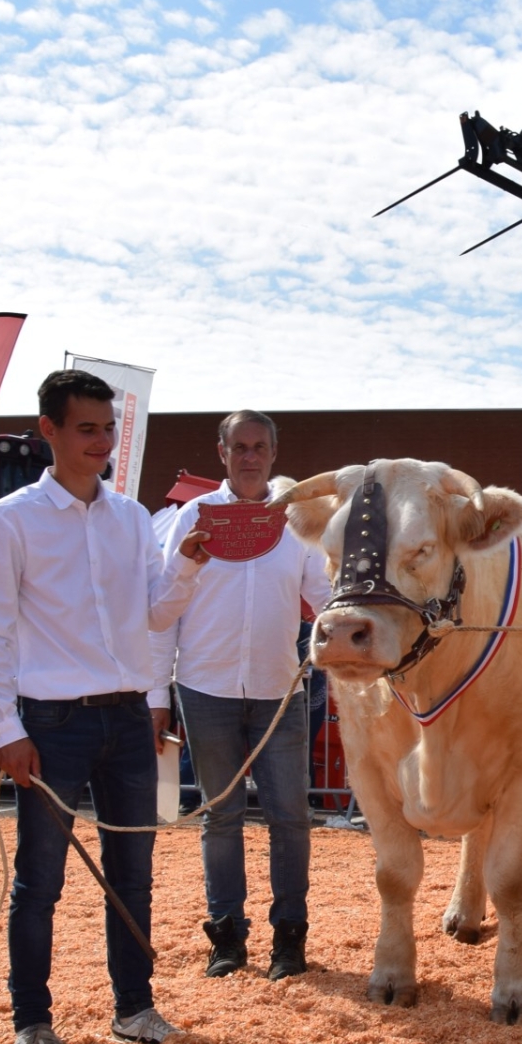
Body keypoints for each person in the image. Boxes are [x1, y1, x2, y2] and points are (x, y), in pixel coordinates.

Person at [0, 370, 209, 1044]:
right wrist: (5, 727)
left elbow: (153, 613)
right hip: (50, 721)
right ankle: (32, 1026)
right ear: (48, 430)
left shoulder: (133, 517)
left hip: (128, 716)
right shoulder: (8, 521)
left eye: (107, 428)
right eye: (86, 428)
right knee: (39, 882)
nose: (101, 442)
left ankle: (134, 1007)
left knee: (131, 876)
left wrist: (190, 567)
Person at [151, 411, 330, 981]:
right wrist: (157, 695)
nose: (250, 456)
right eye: (239, 447)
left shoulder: (296, 523)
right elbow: (163, 611)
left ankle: (289, 938)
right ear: (222, 452)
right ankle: (226, 936)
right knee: (220, 818)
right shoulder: (190, 518)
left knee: (291, 817)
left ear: (273, 453)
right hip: (206, 688)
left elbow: (323, 595)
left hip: (280, 690)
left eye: (259, 447)